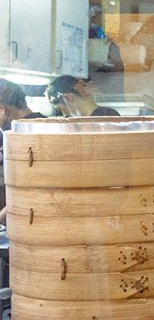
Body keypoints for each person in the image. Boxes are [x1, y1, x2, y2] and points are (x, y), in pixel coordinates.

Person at [0, 77, 46, 224]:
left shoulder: (26, 135)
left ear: (1, 109)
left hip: (29, 224)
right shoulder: (42, 124)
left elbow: (35, 187)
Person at [46, 74, 120, 117]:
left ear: (68, 98)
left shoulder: (86, 126)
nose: (64, 114)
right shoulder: (111, 114)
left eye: (60, 109)